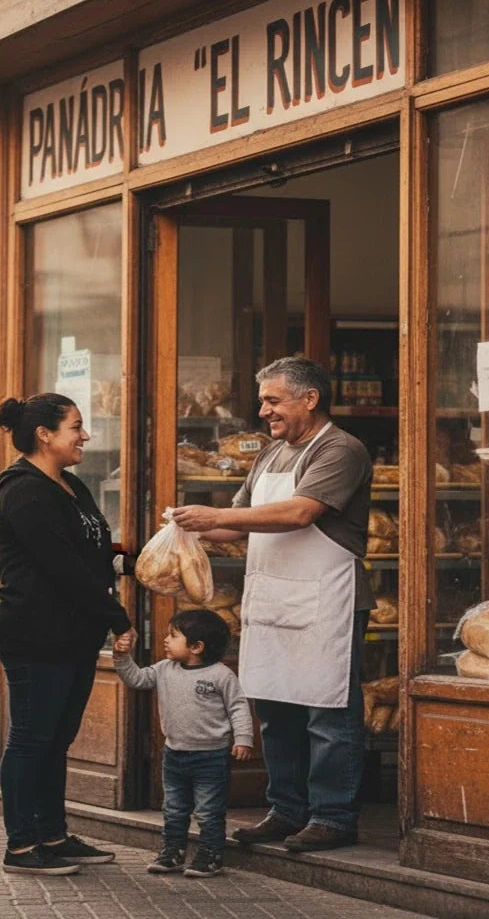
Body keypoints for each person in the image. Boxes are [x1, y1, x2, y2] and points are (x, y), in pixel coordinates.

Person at [171, 356, 374, 852]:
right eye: (263, 400)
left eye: (273, 400)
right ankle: (286, 809)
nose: (263, 410)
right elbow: (237, 524)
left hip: (328, 599)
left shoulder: (341, 450)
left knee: (328, 713)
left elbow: (301, 512)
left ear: (310, 399)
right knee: (276, 711)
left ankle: (333, 816)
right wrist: (184, 530)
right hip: (274, 599)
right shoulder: (269, 455)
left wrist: (214, 511)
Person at [0, 393, 135, 876]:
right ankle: (21, 846)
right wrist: (118, 616)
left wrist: (134, 560)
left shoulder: (69, 485)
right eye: (76, 426)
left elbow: (91, 552)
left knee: (56, 739)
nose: (85, 436)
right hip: (35, 633)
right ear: (44, 435)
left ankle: (52, 833)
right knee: (31, 738)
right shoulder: (25, 491)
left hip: (72, 633)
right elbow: (63, 569)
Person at [113, 610, 253, 878]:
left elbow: (238, 708)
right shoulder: (164, 669)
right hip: (174, 754)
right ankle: (172, 853)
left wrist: (244, 739)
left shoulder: (221, 675)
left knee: (208, 811)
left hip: (211, 757)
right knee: (174, 808)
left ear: (197, 647)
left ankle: (210, 855)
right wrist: (121, 657)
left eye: (173, 636)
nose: (166, 640)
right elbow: (137, 679)